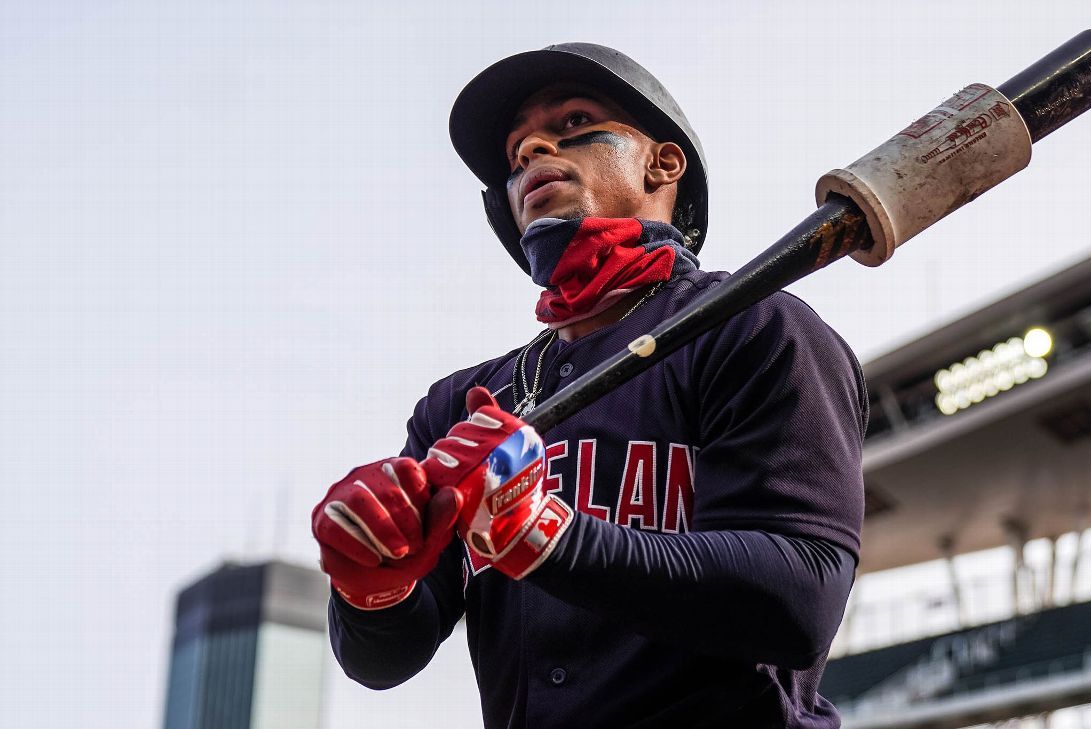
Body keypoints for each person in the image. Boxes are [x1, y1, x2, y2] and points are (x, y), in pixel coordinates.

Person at [311, 43, 868, 729]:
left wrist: (549, 536)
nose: (534, 149)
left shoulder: (753, 327)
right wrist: (373, 582)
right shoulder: (460, 405)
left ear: (662, 162)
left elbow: (800, 597)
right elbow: (384, 660)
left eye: (574, 122)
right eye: (517, 155)